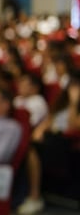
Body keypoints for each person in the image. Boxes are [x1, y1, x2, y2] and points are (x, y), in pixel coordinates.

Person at [17, 74, 80, 214]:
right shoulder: (61, 104)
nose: (74, 90)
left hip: (67, 143)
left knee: (32, 150)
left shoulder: (75, 107)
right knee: (27, 146)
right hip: (50, 139)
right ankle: (22, 195)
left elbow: (72, 127)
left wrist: (75, 103)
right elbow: (47, 121)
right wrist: (36, 135)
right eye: (72, 86)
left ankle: (34, 196)